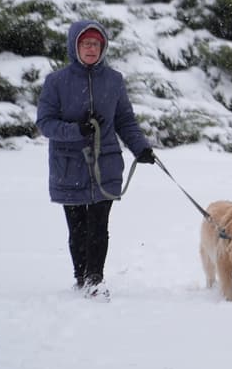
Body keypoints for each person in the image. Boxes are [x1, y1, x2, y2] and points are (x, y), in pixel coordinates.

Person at [36, 19, 156, 299]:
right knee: (78, 228)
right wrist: (76, 130)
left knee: (99, 226)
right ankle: (81, 276)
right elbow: (45, 123)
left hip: (106, 164)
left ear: (103, 47)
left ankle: (94, 279)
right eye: (85, 43)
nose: (91, 48)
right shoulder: (56, 82)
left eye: (96, 43)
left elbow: (125, 120)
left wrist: (141, 148)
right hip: (69, 166)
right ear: (74, 46)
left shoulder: (114, 80)